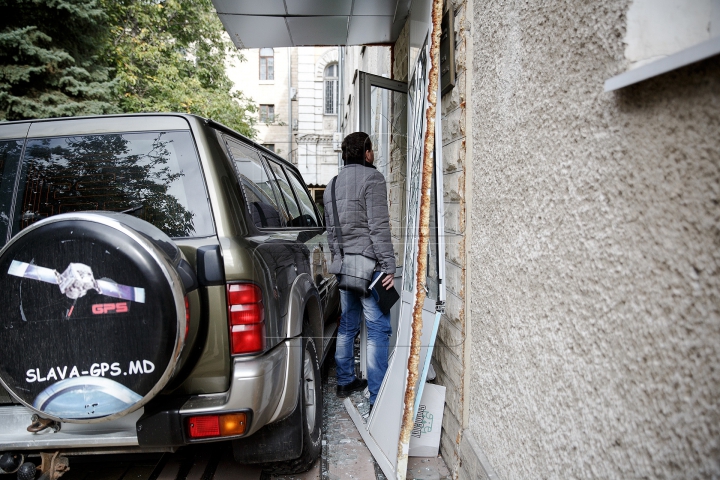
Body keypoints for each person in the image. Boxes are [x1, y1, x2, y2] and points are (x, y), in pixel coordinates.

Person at [324, 132, 396, 410]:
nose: (374, 154)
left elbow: (331, 233)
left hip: (345, 269)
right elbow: (379, 228)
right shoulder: (373, 179)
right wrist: (389, 266)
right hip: (371, 269)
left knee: (347, 325)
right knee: (378, 330)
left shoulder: (331, 185)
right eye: (372, 149)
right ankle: (377, 397)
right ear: (366, 152)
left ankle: (344, 381)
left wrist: (339, 260)